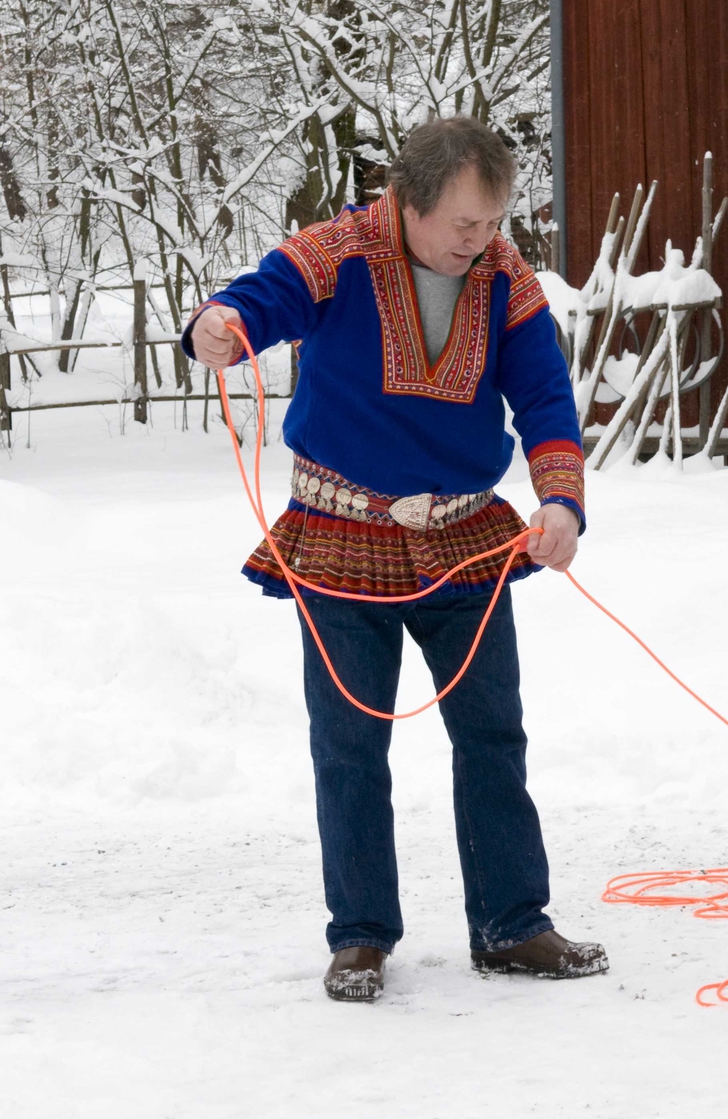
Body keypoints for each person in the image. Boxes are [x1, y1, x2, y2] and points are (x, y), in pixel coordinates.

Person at [183, 116, 607, 1002]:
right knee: (348, 747)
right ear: (406, 201)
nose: (477, 241)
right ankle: (362, 936)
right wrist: (216, 326)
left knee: (492, 737)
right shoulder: (333, 252)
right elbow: (255, 302)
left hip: (465, 540)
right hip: (339, 538)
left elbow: (542, 396)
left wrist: (560, 499)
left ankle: (510, 924)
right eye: (461, 223)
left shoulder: (505, 278)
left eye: (491, 221)